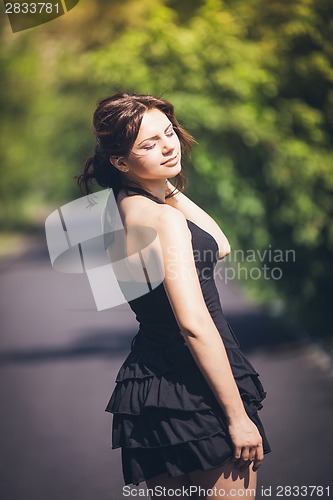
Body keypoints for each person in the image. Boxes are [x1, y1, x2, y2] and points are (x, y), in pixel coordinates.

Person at [78, 92, 271, 499]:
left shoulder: (109, 213)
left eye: (169, 134)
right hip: (197, 387)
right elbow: (194, 324)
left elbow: (218, 244)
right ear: (120, 162)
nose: (169, 146)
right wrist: (236, 417)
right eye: (149, 144)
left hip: (147, 389)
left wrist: (159, 182)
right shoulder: (163, 220)